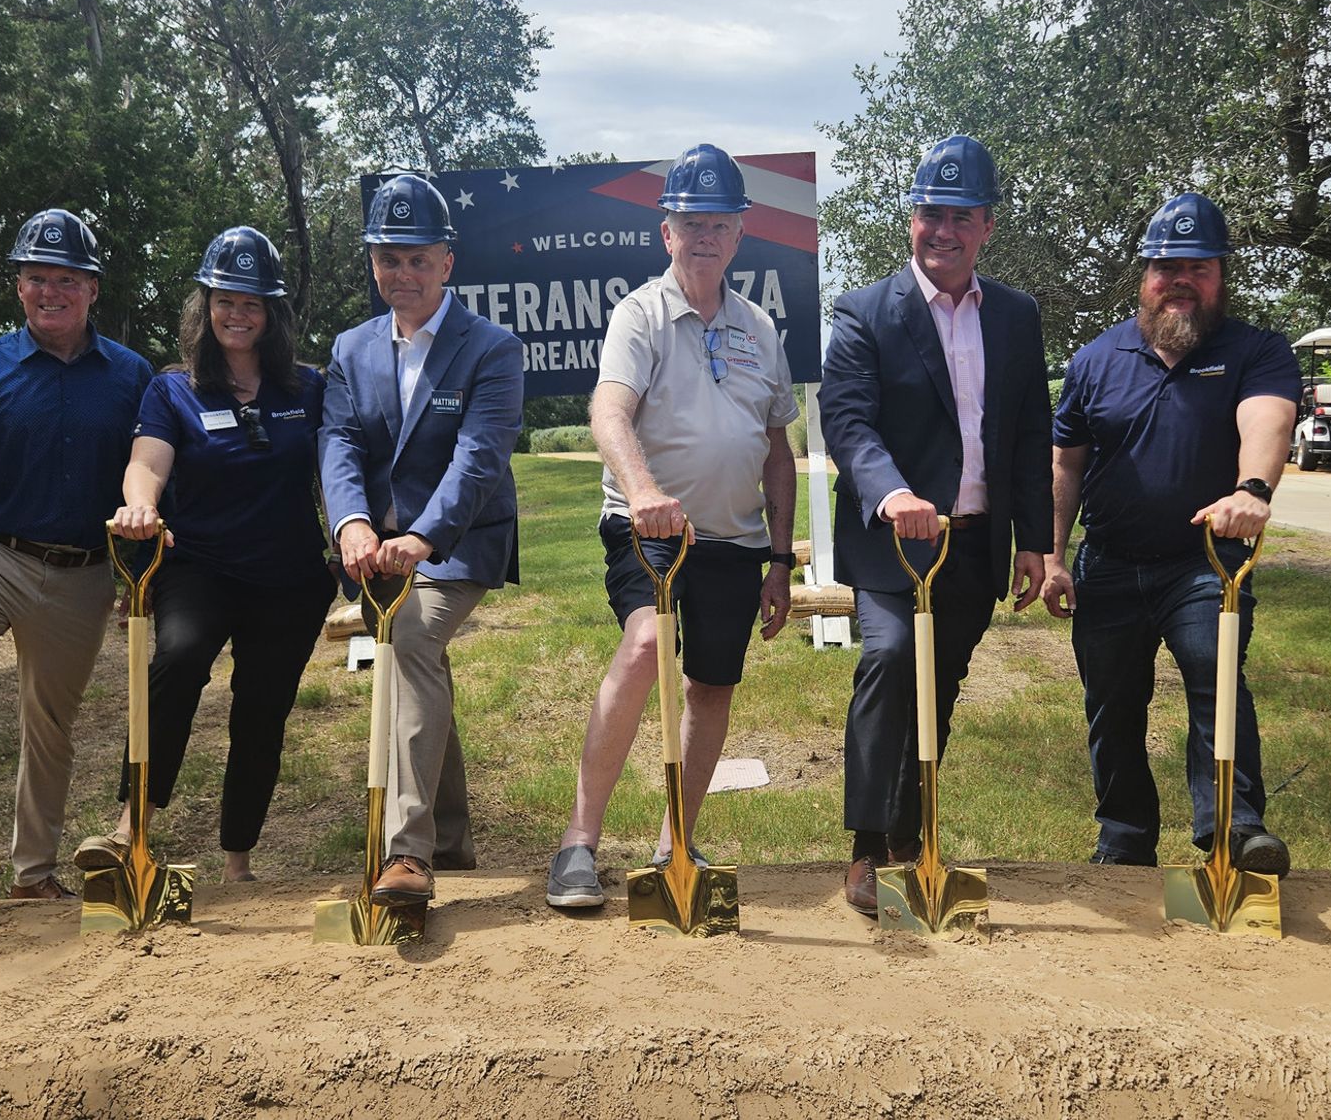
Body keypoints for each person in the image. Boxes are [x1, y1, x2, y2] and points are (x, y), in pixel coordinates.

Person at [546, 143, 798, 909]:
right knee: (648, 644)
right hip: (648, 529)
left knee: (712, 687)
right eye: (690, 223)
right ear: (666, 232)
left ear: (738, 234)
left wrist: (782, 559)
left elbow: (778, 452)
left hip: (734, 540)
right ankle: (578, 843)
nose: (704, 237)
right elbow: (609, 411)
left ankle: (673, 844)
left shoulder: (760, 327)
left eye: (718, 224)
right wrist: (645, 488)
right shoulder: (641, 314)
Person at [819, 135, 1052, 917]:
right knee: (889, 661)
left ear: (986, 225)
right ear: (910, 220)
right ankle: (865, 844)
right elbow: (849, 424)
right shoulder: (863, 312)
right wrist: (890, 494)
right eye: (927, 213)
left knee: (940, 684)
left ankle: (915, 836)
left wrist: (1037, 542)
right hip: (894, 543)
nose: (940, 229)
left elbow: (1026, 433)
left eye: (959, 216)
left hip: (974, 542)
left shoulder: (1017, 316)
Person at [1041, 192, 1299, 874]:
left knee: (1217, 683)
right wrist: (1053, 555)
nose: (1181, 280)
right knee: (1112, 706)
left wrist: (1251, 490)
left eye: (1199, 267)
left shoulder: (1256, 351)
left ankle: (1235, 832)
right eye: (1166, 267)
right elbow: (1066, 462)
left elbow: (1267, 420)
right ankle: (1124, 840)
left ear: (1221, 276)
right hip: (1110, 565)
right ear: (1144, 277)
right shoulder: (1094, 360)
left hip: (1205, 563)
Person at [73, 227, 335, 883]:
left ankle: (237, 861)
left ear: (273, 313)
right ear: (205, 306)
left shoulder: (309, 388)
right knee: (180, 657)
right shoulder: (174, 388)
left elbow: (341, 467)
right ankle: (131, 827)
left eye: (253, 302)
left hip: (290, 579)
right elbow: (145, 462)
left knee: (262, 708)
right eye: (225, 300)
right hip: (200, 567)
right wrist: (140, 504)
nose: (238, 314)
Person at [320, 173, 524, 907]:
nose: (400, 273)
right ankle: (454, 832)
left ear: (447, 261)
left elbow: (480, 456)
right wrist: (351, 521)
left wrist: (422, 536)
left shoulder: (491, 348)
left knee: (409, 637)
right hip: (374, 548)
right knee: (417, 651)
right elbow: (339, 443)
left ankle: (408, 852)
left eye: (416, 258)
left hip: (459, 543)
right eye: (387, 258)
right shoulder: (349, 349)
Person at [0, 208, 153, 899]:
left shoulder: (131, 374)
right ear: (18, 287)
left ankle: (32, 874)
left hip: (81, 575)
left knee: (49, 726)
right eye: (37, 277)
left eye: (67, 279)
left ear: (92, 288)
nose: (52, 291)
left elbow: (154, 469)